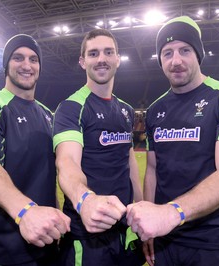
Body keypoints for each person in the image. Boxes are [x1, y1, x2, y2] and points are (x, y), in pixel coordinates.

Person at [126, 16, 219, 266]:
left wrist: (171, 212)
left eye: (185, 50)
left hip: (214, 242)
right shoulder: (154, 111)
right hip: (166, 239)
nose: (176, 61)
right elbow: (153, 170)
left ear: (198, 54)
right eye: (167, 53)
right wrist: (149, 225)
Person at [0, 34, 70, 266]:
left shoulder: (47, 115)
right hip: (6, 252)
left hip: (48, 243)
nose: (27, 65)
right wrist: (25, 211)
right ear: (6, 65)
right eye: (18, 58)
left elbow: (47, 177)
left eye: (33, 59)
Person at [53, 29, 144, 266]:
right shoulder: (71, 107)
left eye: (108, 52)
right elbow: (67, 162)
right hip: (88, 236)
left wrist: (140, 208)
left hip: (124, 230)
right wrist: (85, 200)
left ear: (118, 59)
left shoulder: (126, 110)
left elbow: (129, 161)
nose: (101, 58)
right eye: (93, 53)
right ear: (83, 62)